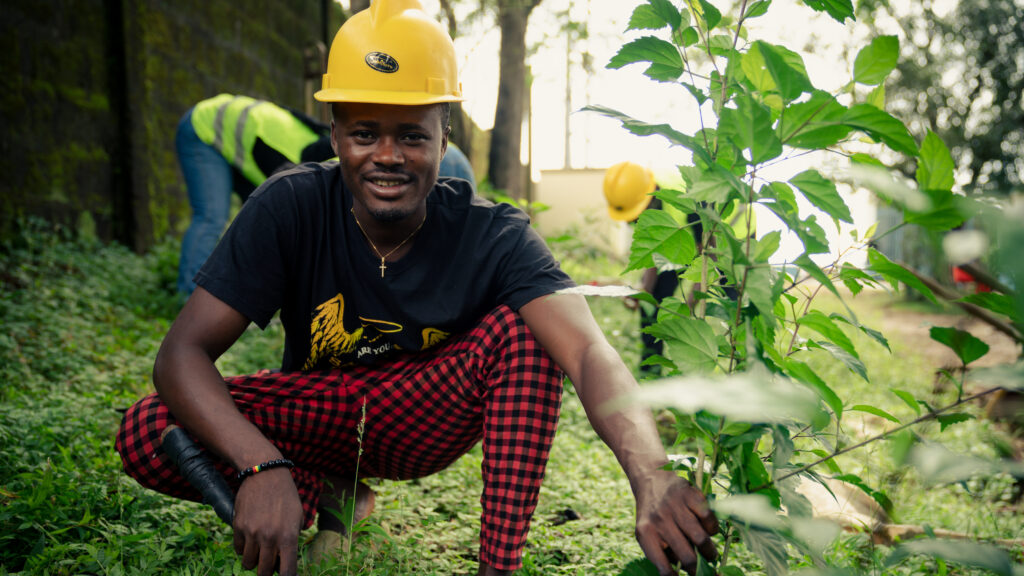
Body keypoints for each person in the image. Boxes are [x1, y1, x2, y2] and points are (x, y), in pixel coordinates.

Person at [116, 2, 718, 576]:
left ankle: (495, 567)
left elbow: (589, 352)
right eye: (364, 133)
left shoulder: (492, 233)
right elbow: (181, 355)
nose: (387, 156)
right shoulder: (289, 206)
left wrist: (652, 475)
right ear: (334, 133)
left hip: (423, 412)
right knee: (149, 430)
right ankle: (326, 492)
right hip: (320, 413)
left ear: (444, 132)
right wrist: (259, 463)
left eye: (411, 135)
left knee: (527, 331)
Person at [174, 94, 335, 297]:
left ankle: (243, 293)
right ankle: (188, 296)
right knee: (211, 217)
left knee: (259, 224)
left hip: (241, 140)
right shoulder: (288, 162)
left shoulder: (316, 147)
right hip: (203, 128)